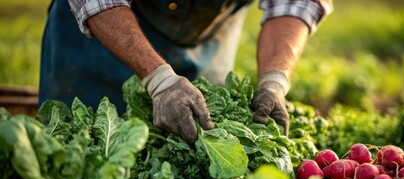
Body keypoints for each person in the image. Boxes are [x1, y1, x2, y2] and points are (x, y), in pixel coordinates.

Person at [39, 0, 333, 144]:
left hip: (206, 41)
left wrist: (274, 80)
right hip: (101, 36)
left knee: (199, 141)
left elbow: (297, 2)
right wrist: (159, 80)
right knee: (82, 145)